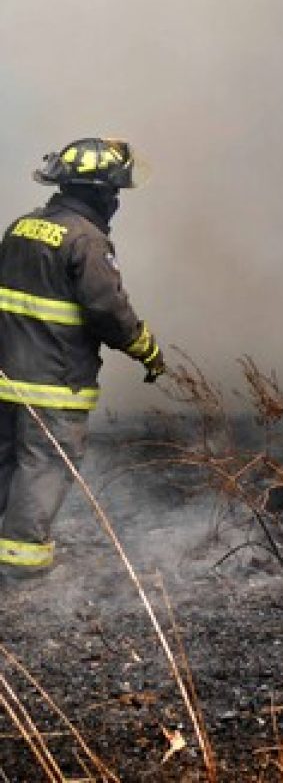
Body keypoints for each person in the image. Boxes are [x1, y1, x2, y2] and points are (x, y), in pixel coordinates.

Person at [0, 138, 165, 578]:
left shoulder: (20, 227)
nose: (115, 201)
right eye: (113, 192)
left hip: (5, 376)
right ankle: (22, 567)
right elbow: (106, 310)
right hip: (54, 382)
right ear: (96, 193)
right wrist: (147, 351)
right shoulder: (87, 241)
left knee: (7, 460)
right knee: (44, 466)